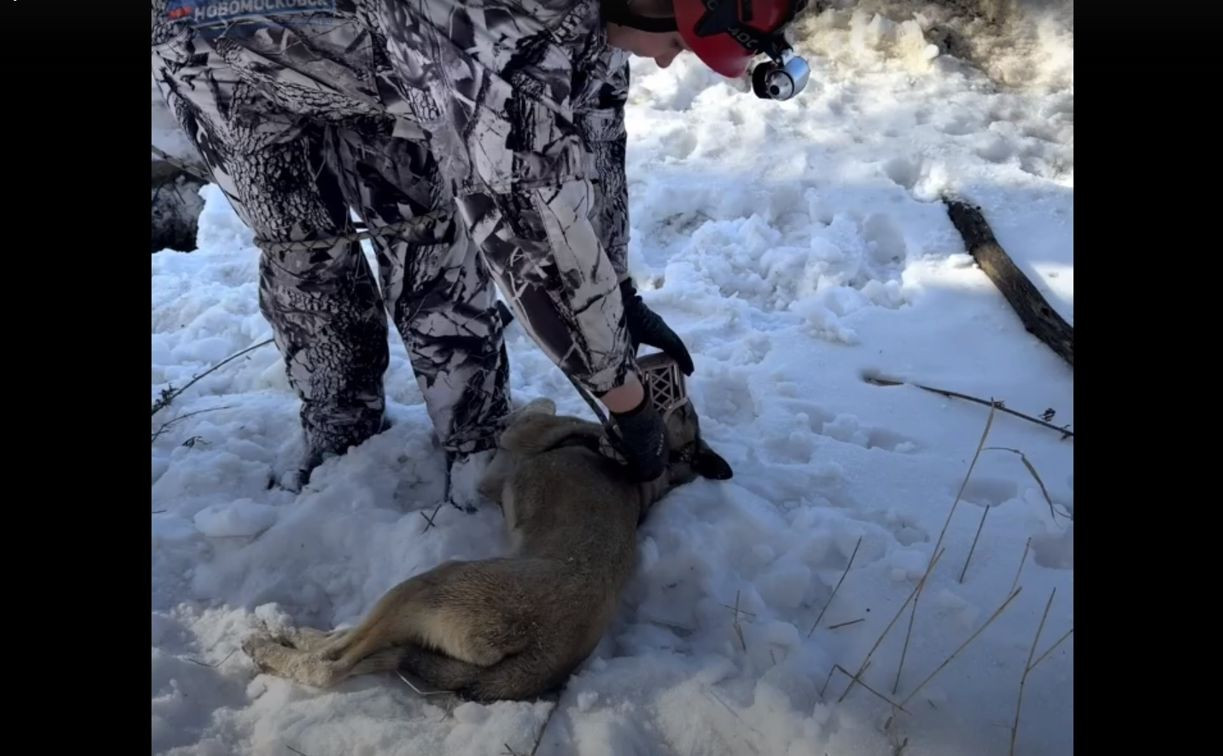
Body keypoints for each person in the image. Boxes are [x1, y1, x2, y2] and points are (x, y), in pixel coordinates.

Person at [151, 0, 809, 501]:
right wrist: (622, 397)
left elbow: (595, 139)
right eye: (674, 44)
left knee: (431, 232)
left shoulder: (591, 19)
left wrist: (618, 287)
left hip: (389, 57)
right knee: (310, 253)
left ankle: (474, 437)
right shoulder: (505, 32)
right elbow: (533, 232)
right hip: (221, 48)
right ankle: (339, 431)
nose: (667, 61)